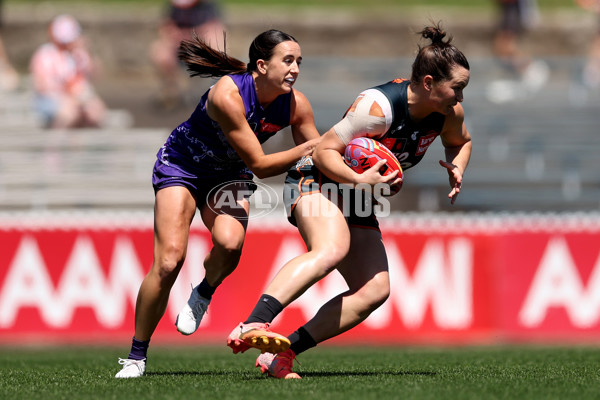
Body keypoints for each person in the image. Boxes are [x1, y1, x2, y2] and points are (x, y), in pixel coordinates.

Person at [225, 23, 472, 379]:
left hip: (355, 194)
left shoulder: (449, 113)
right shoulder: (378, 107)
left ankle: (282, 354)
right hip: (315, 178)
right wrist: (359, 179)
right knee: (332, 248)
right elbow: (324, 150)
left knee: (375, 290)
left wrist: (457, 167)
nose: (461, 97)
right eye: (457, 87)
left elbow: (461, 141)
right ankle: (253, 323)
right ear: (430, 83)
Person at [114, 29, 321, 378]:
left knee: (230, 244)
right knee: (168, 262)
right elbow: (261, 165)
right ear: (261, 65)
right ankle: (136, 356)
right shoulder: (228, 94)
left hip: (227, 173)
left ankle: (203, 291)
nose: (295, 69)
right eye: (287, 60)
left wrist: (358, 170)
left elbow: (321, 156)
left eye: (299, 61)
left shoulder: (296, 105)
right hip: (183, 166)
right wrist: (312, 149)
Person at [29, 14, 106, 129]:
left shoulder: (79, 54)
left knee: (95, 111)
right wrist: (68, 95)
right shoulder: (45, 54)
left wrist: (88, 51)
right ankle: (55, 144)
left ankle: (85, 145)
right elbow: (41, 86)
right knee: (69, 113)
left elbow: (95, 75)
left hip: (78, 98)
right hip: (51, 99)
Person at [150, 0, 226, 108]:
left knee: (215, 42)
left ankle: (212, 91)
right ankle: (171, 92)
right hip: (178, 49)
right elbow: (165, 28)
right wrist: (173, 35)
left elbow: (214, 30)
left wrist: (192, 36)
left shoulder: (209, 9)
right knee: (159, 50)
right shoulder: (174, 8)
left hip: (200, 51)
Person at [487, 0, 549, 103]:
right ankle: (525, 73)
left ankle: (532, 70)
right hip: (508, 7)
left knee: (505, 45)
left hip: (513, 6)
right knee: (502, 47)